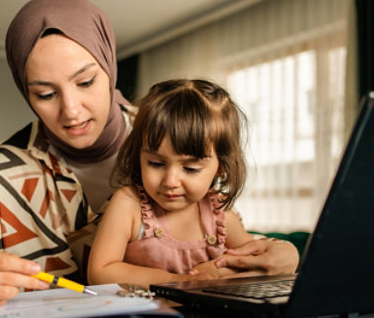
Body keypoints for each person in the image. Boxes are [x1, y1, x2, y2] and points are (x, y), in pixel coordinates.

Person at [0, 0, 299, 311]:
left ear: (110, 66)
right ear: (26, 93)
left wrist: (280, 253)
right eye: (46, 93)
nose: (71, 111)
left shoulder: (165, 131)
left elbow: (214, 235)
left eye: (86, 82)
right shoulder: (4, 174)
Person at [89, 79, 259, 286]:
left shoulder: (219, 214)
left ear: (221, 167)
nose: (170, 181)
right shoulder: (129, 204)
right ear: (139, 156)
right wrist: (175, 281)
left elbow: (254, 262)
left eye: (190, 169)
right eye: (155, 163)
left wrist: (213, 271)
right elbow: (100, 273)